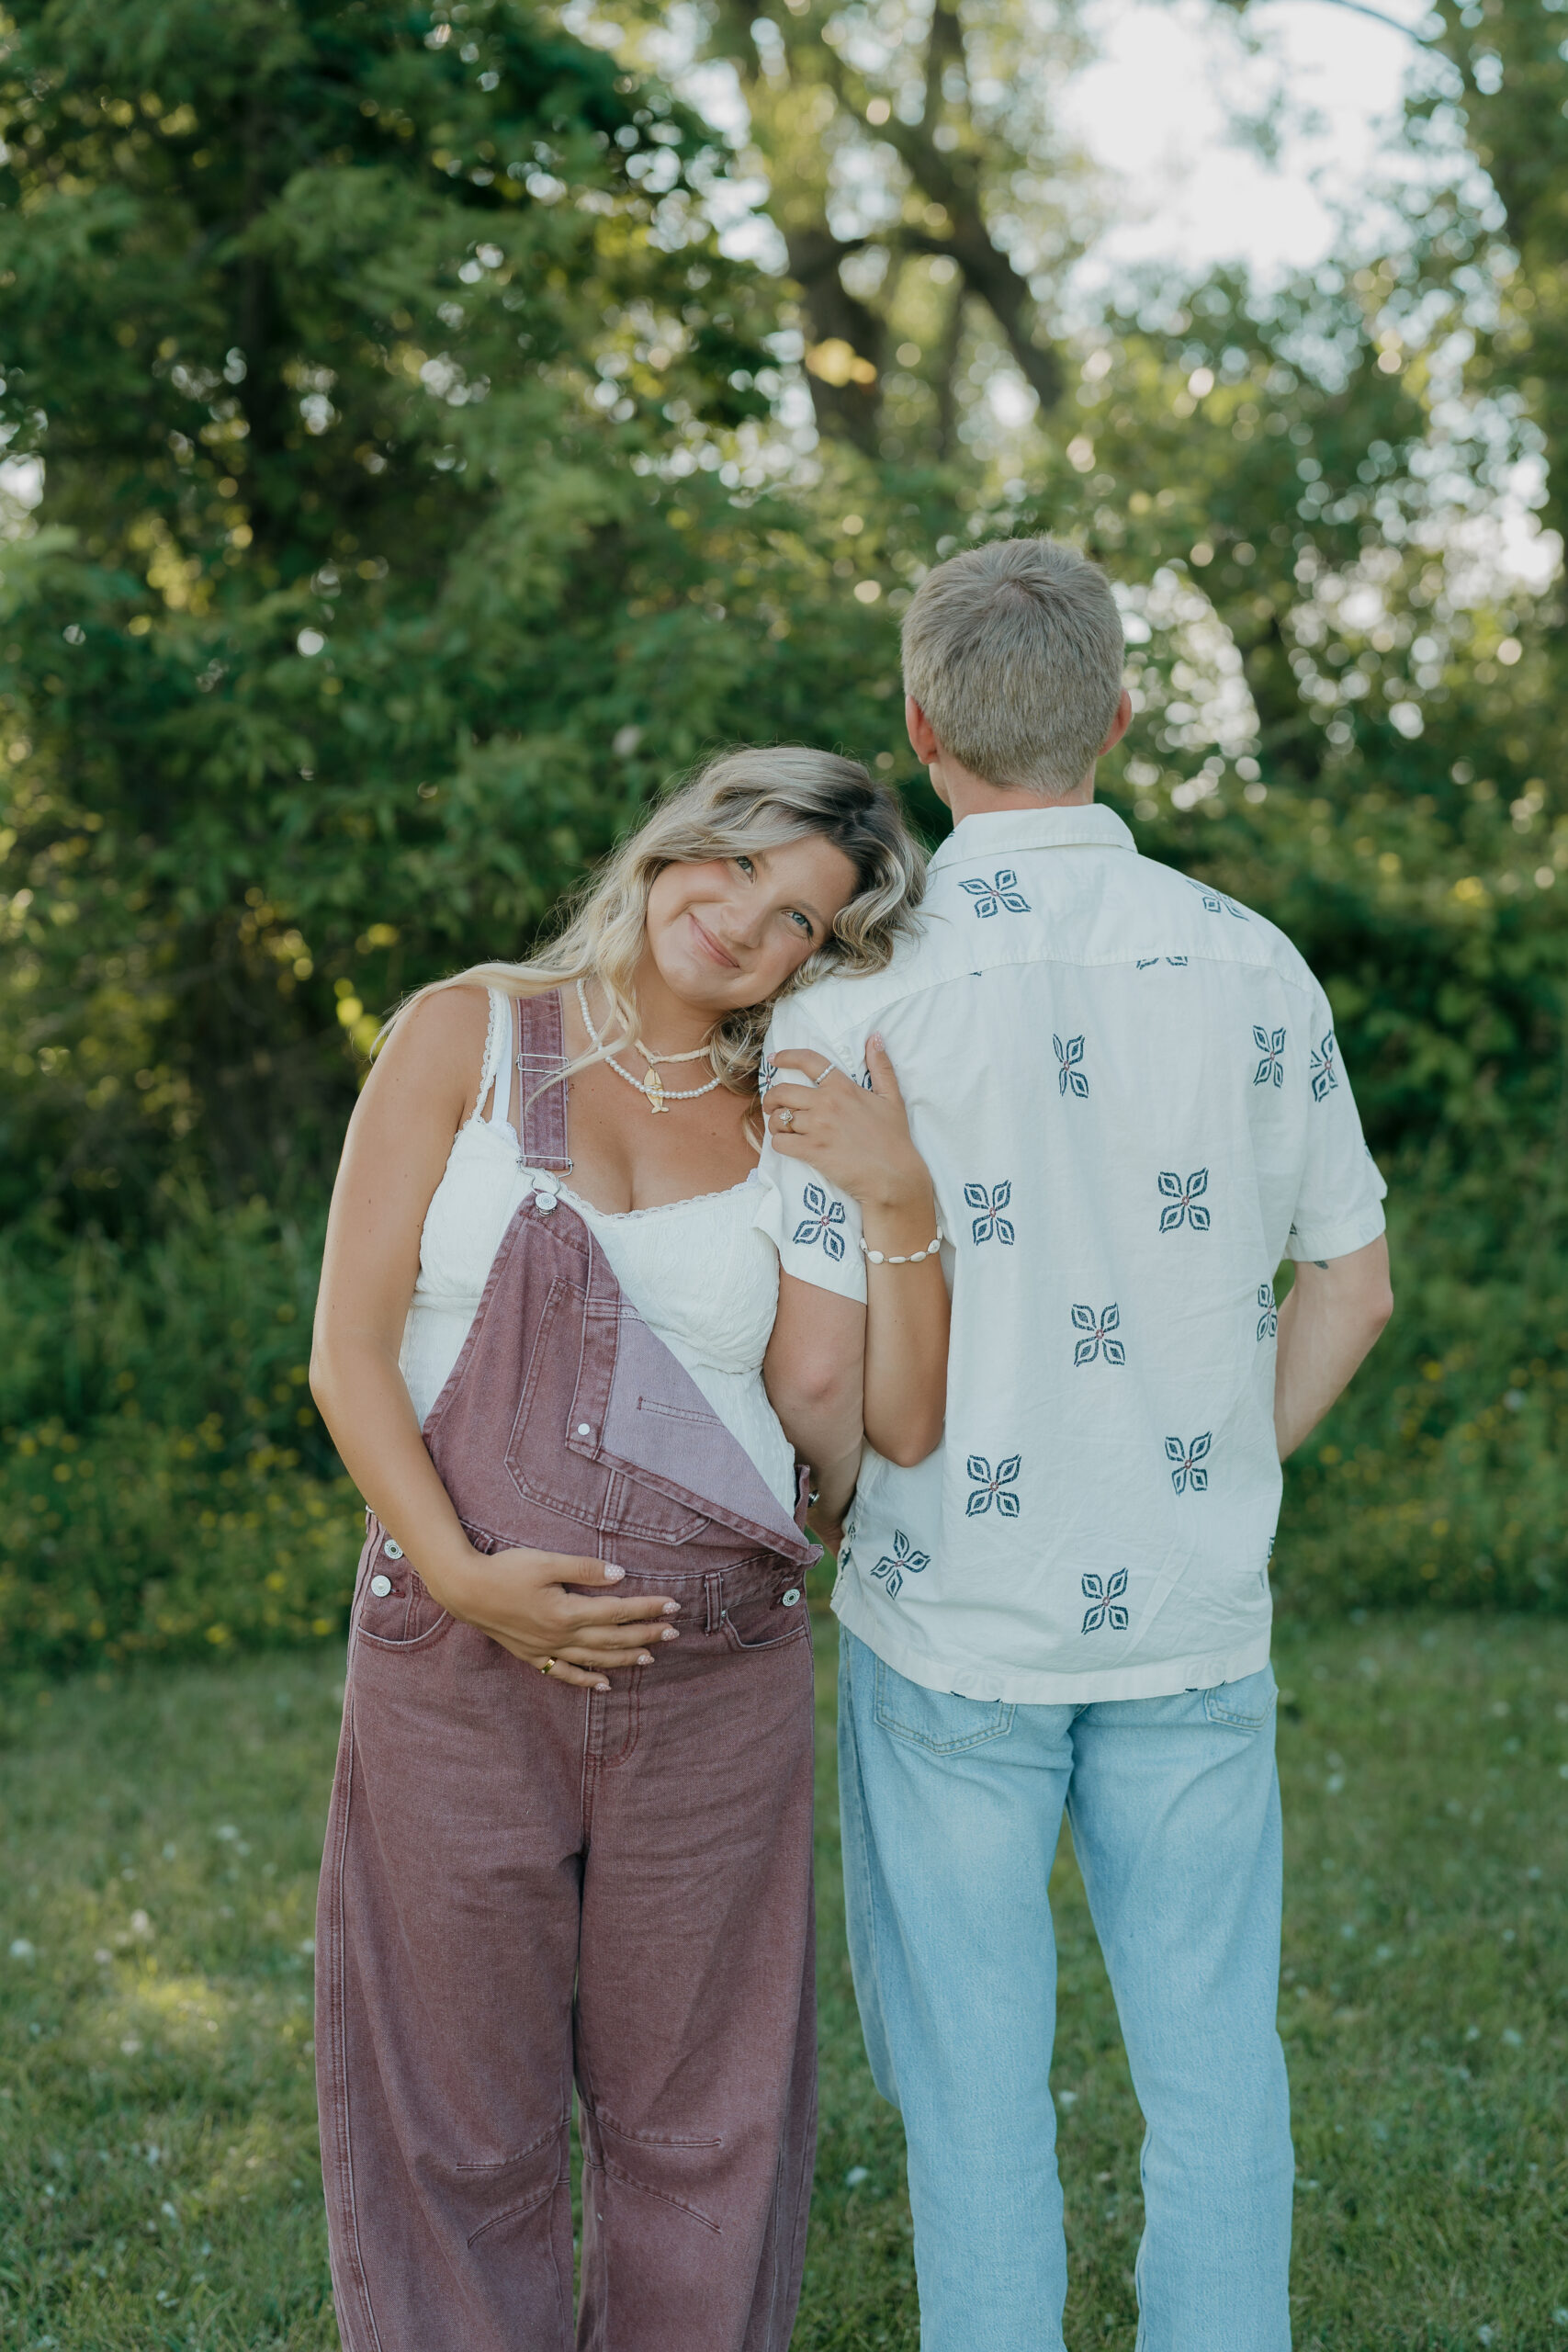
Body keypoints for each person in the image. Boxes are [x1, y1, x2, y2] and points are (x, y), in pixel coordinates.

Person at [760, 537, 1394, 2352]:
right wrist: (1215, 1457)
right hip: (1190, 1611)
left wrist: (824, 1500)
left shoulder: (851, 1000)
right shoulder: (1250, 962)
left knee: (970, 2101)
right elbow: (1344, 1287)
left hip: (945, 1612)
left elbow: (818, 1373)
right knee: (1216, 2078)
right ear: (1115, 716)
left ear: (916, 726)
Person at [306, 747, 946, 2352]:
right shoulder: (470, 1030)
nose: (743, 924)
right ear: (675, 848)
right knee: (454, 2119)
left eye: (798, 921)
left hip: (713, 1682)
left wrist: (896, 1203)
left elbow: (830, 1404)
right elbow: (347, 1351)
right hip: (456, 1663)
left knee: (703, 2130)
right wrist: (458, 1573)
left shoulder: (787, 1110)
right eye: (736, 869)